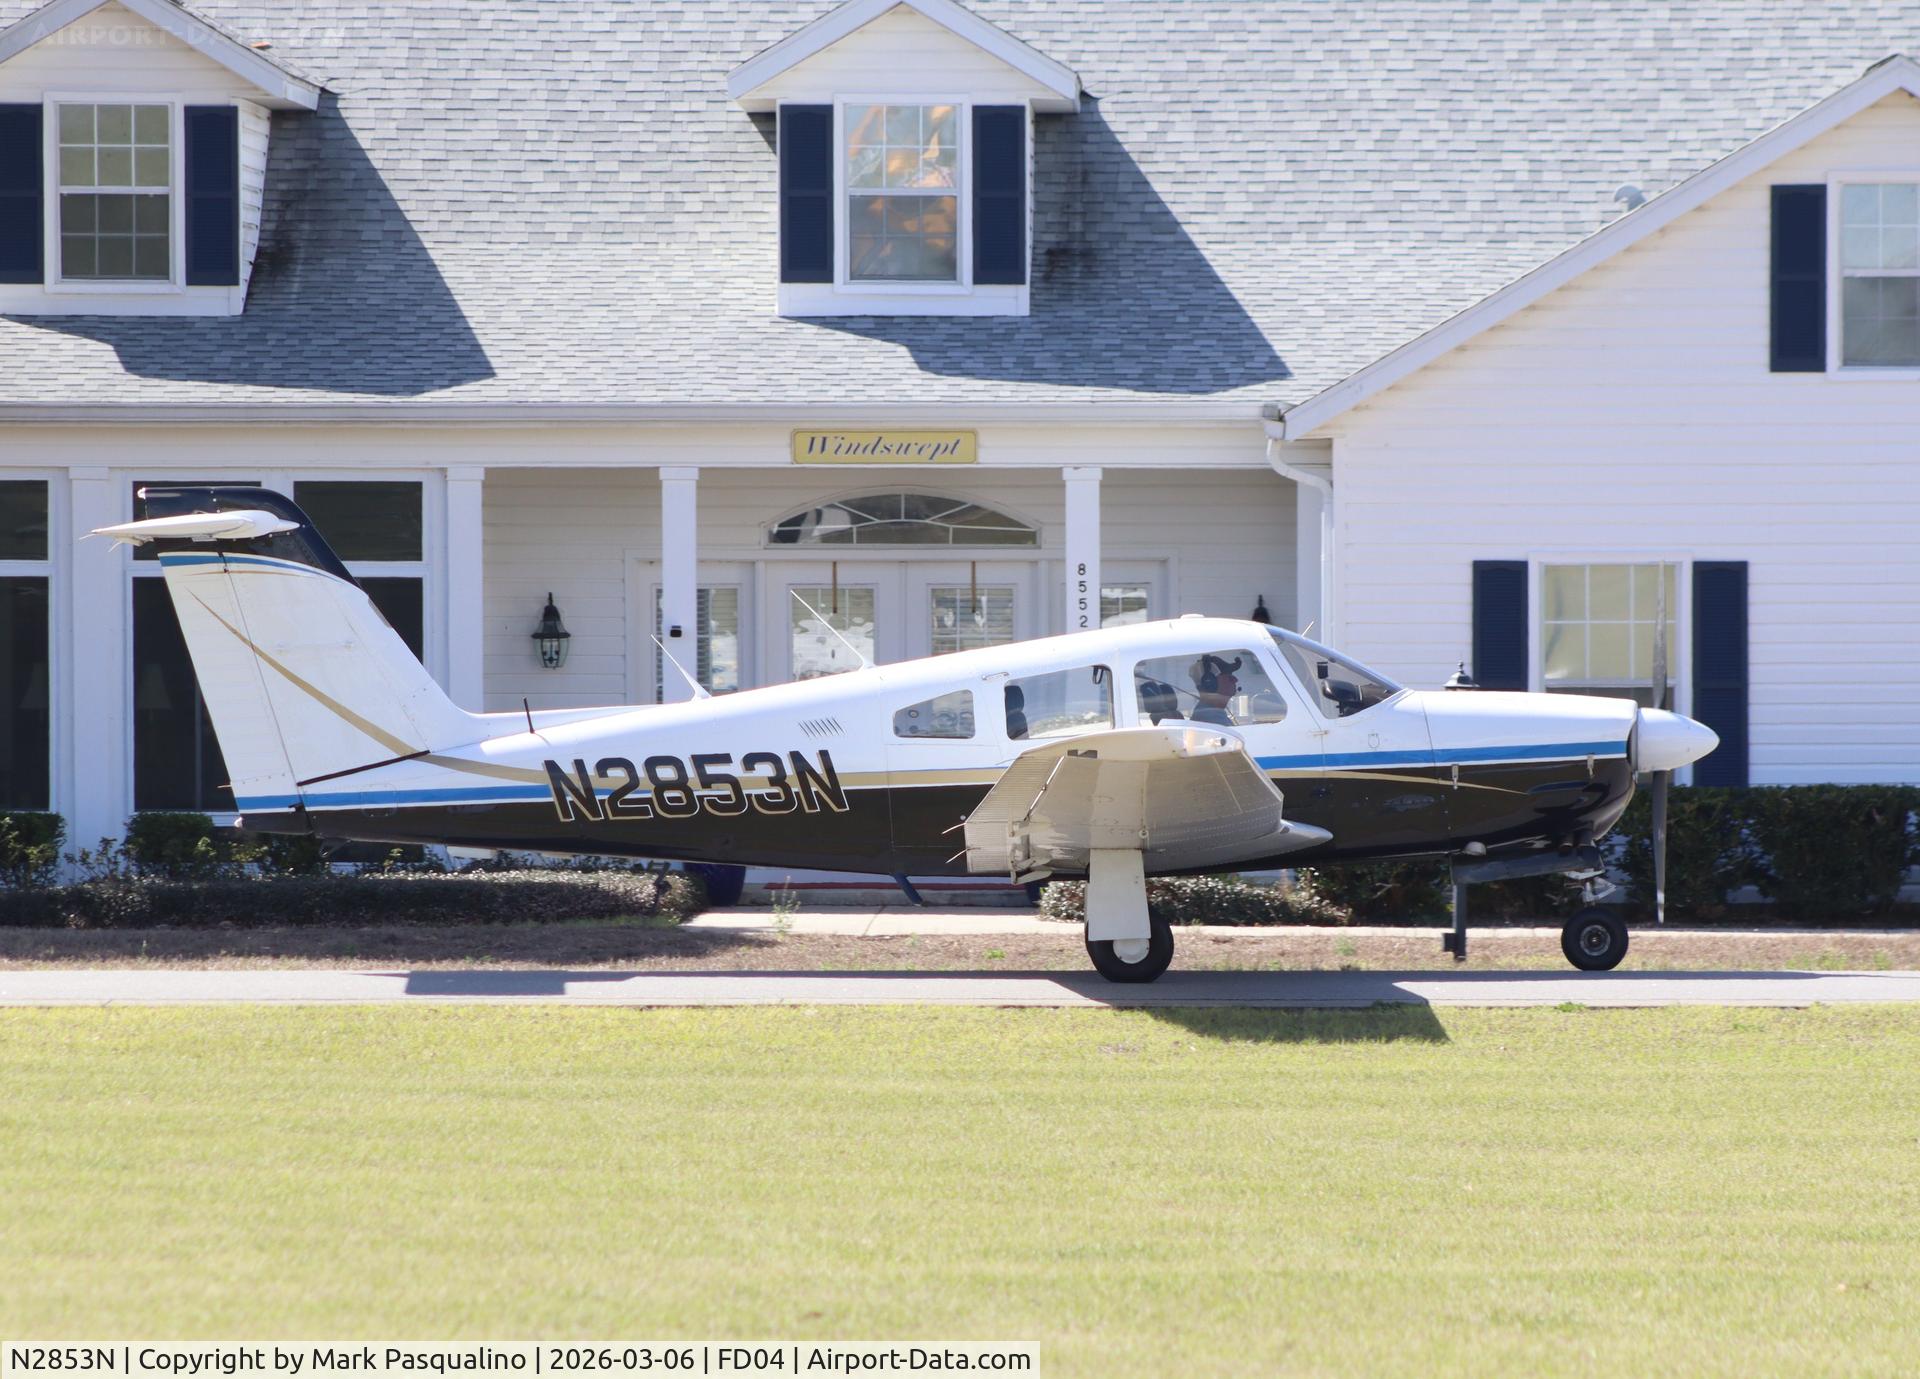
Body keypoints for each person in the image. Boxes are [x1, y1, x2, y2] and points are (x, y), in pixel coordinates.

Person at [1187, 653, 1242, 725]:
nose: (1235, 680)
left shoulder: (1212, 713)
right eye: (1229, 678)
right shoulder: (1211, 719)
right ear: (1210, 684)